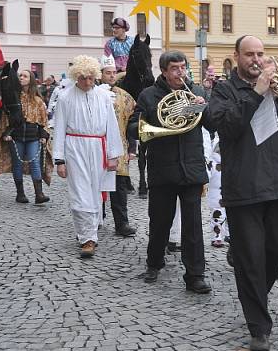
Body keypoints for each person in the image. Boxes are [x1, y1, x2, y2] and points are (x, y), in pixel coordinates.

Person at [204, 35, 278, 351]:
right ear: (237, 57)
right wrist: (256, 91)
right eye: (250, 54)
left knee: (277, 251)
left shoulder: (277, 86)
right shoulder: (224, 90)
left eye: (261, 54)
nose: (257, 59)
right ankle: (258, 327)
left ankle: (254, 296)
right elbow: (226, 126)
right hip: (244, 186)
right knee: (250, 258)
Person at [127, 51, 211, 294]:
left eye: (183, 67)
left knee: (193, 225)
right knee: (160, 221)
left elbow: (214, 123)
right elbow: (133, 128)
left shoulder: (198, 93)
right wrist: (154, 124)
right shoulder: (149, 95)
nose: (180, 73)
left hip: (192, 168)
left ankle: (195, 275)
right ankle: (154, 263)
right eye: (174, 68)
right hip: (162, 168)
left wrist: (202, 108)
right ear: (164, 71)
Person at [53, 55, 122, 258]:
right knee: (80, 193)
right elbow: (59, 129)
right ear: (77, 77)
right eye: (83, 78)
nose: (88, 82)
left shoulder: (103, 97)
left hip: (98, 147)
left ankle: (90, 230)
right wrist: (59, 159)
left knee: (95, 192)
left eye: (91, 78)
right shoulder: (65, 98)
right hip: (75, 148)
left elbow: (111, 126)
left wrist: (113, 154)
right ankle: (87, 238)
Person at [0, 69, 53, 205]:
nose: (21, 77)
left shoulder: (38, 101)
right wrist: (6, 134)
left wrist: (43, 136)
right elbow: (5, 118)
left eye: (25, 76)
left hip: (33, 137)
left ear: (30, 80)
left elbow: (44, 122)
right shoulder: (14, 98)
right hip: (16, 137)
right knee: (17, 164)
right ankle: (20, 193)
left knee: (35, 164)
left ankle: (39, 194)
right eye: (20, 75)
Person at [97, 55, 137, 237]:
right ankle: (97, 218)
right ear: (101, 74)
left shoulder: (125, 97)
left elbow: (132, 124)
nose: (112, 76)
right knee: (97, 185)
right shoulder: (93, 95)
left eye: (114, 73)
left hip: (119, 148)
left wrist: (131, 149)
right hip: (96, 147)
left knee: (119, 187)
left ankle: (122, 223)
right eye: (108, 73)